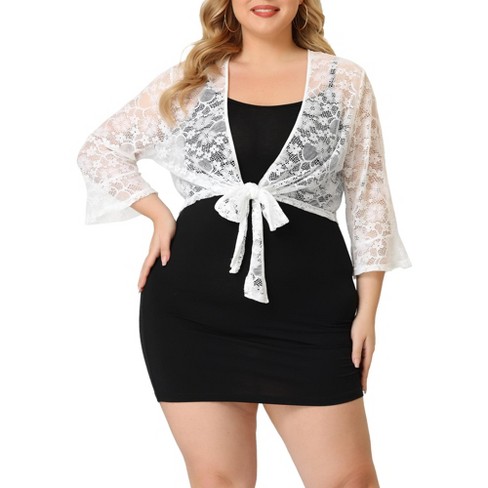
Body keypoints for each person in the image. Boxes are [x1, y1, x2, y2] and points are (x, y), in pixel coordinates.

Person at [77, 0, 412, 486]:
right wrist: (157, 213)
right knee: (219, 481)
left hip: (313, 315)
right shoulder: (192, 80)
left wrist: (369, 311)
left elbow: (369, 197)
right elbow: (101, 149)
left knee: (349, 480)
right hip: (192, 316)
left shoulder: (344, 81)